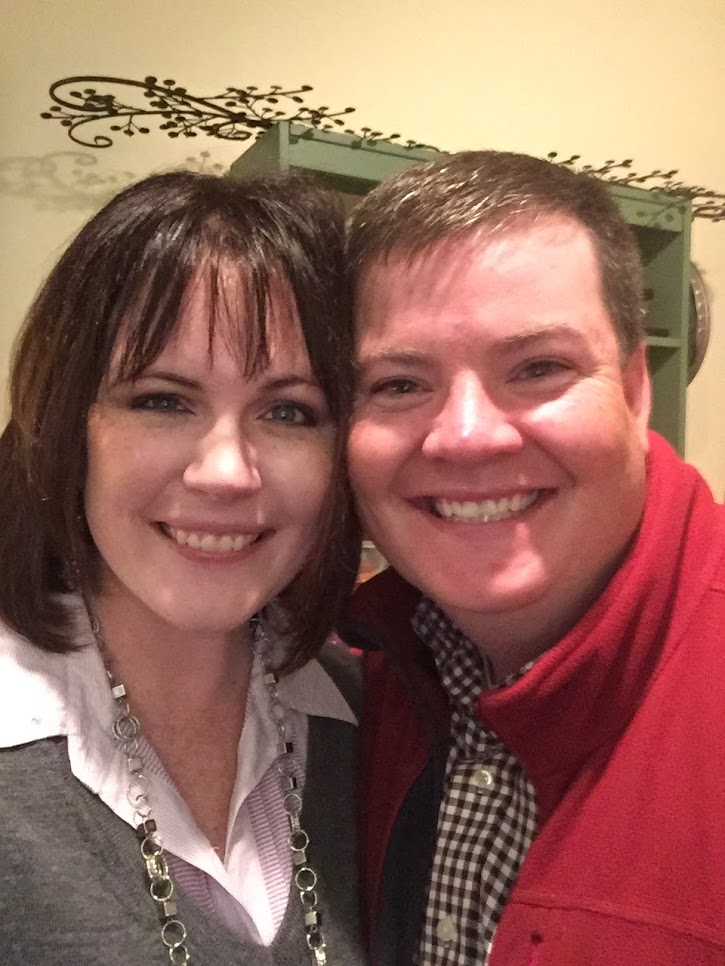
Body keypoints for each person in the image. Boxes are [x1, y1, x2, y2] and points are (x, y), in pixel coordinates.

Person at [341, 150, 725, 965]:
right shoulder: (346, 684)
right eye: (399, 384)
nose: (466, 437)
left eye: (539, 368)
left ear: (634, 390)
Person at [0, 170, 365, 965]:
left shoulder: (372, 727)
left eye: (288, 412)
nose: (225, 472)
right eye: (163, 400)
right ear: (68, 423)